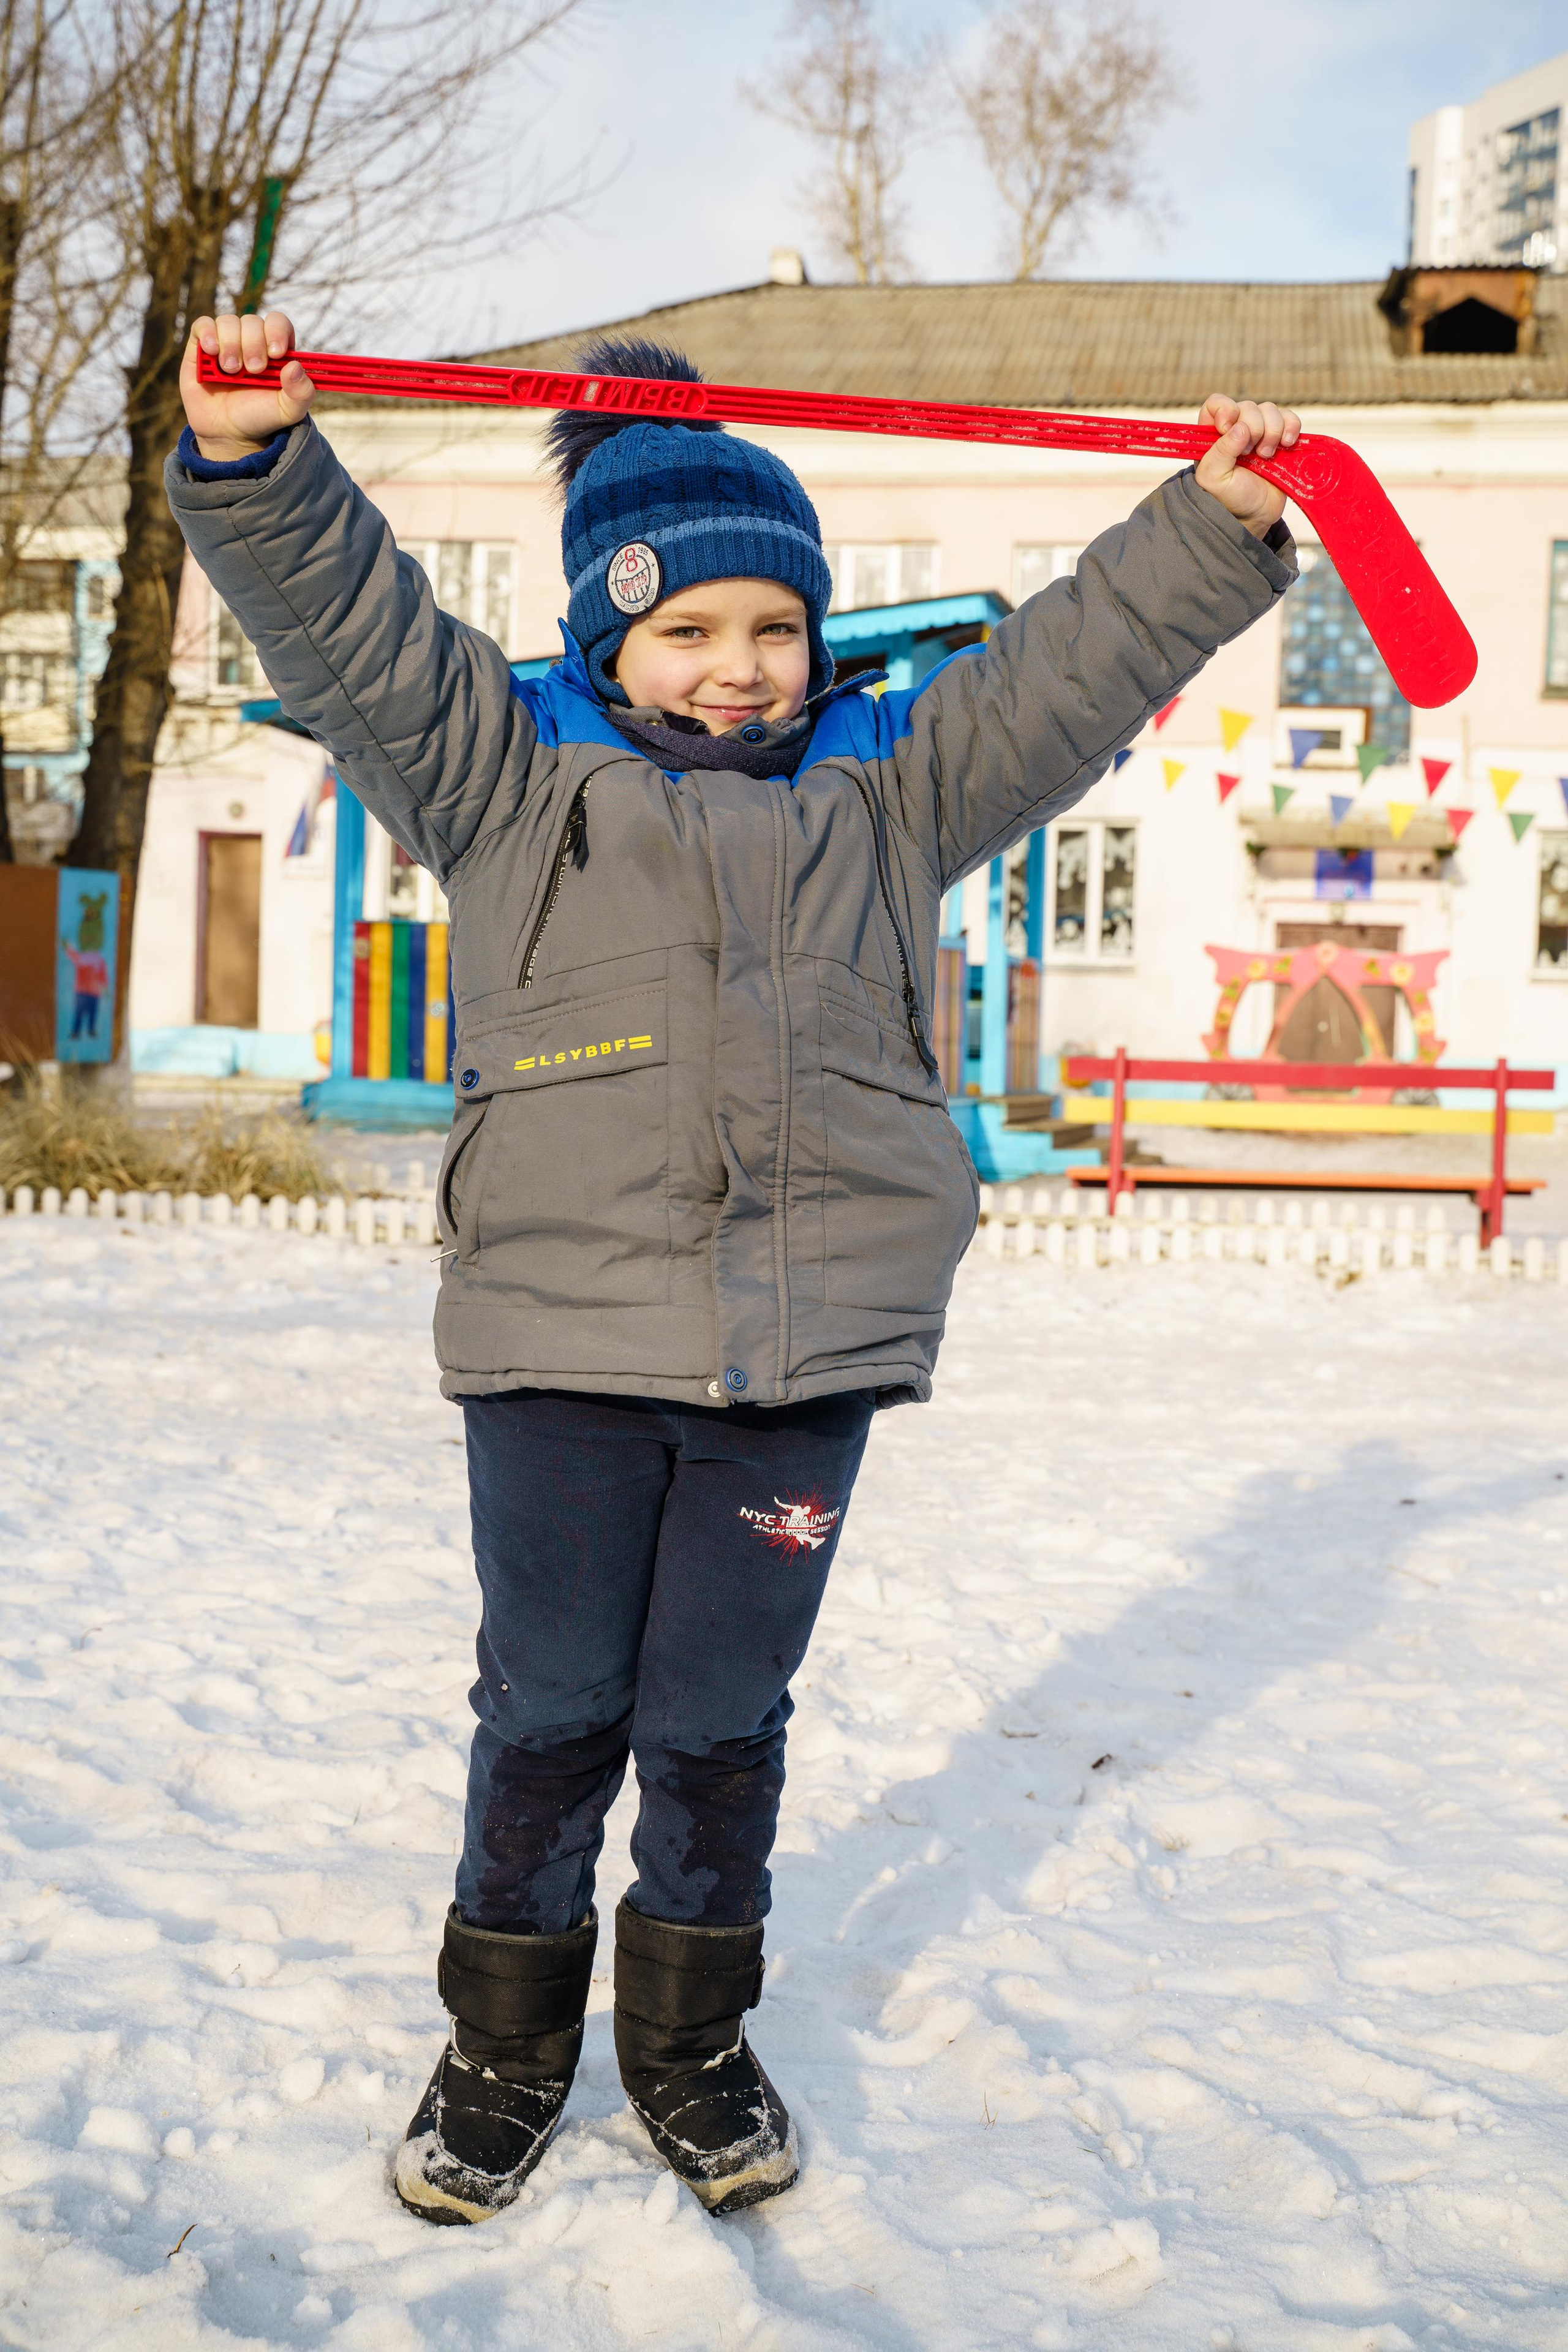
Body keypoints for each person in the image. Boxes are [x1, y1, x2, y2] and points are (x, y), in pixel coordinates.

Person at [170, 310, 1300, 2226]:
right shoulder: (510, 789)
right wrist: (258, 459)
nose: (734, 669)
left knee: (715, 1725)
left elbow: (1065, 672)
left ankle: (689, 2046)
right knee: (547, 1715)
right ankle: (503, 2055)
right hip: (561, 1348)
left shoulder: (890, 796)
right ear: (605, 643)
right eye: (683, 632)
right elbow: (354, 629)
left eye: (771, 627)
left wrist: (1215, 520)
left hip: (801, 1361)